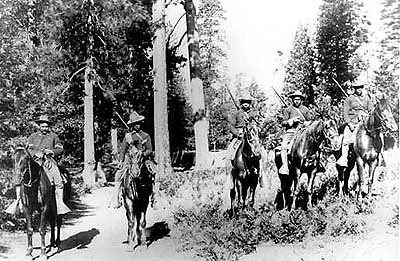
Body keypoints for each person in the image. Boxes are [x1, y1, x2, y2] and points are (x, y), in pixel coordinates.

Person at [6, 114, 71, 216]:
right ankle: (17, 202)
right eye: (42, 126)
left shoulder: (54, 136)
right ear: (39, 126)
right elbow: (29, 149)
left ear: (49, 126)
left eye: (46, 126)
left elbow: (60, 149)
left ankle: (59, 203)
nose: (44, 128)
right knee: (20, 176)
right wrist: (36, 153)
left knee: (59, 180)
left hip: (48, 161)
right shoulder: (33, 137)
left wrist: (50, 151)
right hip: (34, 161)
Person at [109, 111, 156, 209]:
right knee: (119, 175)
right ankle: (116, 198)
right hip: (129, 160)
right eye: (135, 124)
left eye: (138, 123)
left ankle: (155, 197)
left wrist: (142, 154)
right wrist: (121, 161)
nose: (137, 125)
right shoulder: (128, 136)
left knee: (154, 173)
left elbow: (150, 150)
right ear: (132, 125)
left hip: (143, 159)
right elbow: (123, 150)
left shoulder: (145, 136)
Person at [337, 79, 374, 167]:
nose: (359, 90)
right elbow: (345, 113)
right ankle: (344, 158)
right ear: (355, 89)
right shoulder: (349, 99)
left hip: (365, 123)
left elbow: (371, 111)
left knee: (376, 135)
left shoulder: (367, 98)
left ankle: (379, 155)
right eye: (357, 88)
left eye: (361, 88)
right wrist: (349, 124)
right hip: (353, 123)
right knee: (346, 140)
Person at [279, 90, 313, 175]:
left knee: (314, 145)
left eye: (298, 99)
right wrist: (291, 120)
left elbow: (310, 121)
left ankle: (316, 164)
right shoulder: (288, 110)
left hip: (302, 132)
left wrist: (306, 123)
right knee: (283, 146)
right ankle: (285, 166)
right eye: (295, 99)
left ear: (301, 100)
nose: (297, 101)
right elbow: (283, 123)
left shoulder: (305, 109)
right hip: (291, 131)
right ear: (292, 100)